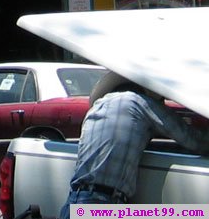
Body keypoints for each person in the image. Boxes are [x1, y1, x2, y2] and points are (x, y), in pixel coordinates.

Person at [59, 71, 209, 218]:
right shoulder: (142, 103)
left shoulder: (97, 107)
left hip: (74, 202)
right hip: (103, 204)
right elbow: (193, 140)